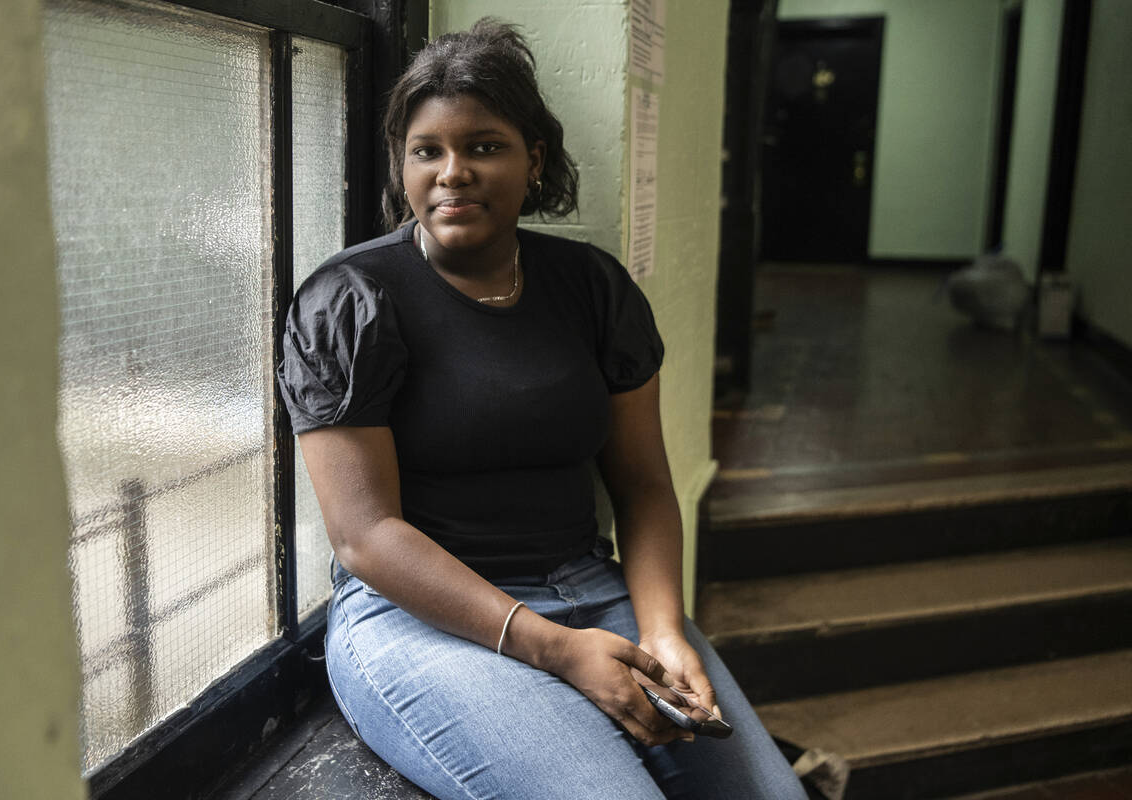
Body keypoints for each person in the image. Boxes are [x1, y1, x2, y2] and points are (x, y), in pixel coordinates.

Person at [276, 18, 806, 800]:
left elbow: (645, 485)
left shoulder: (591, 287)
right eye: (427, 151)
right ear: (403, 163)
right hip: (421, 619)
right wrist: (556, 649)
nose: (452, 172)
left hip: (591, 589)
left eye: (484, 146)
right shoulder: (351, 300)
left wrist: (663, 628)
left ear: (535, 159)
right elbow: (365, 538)